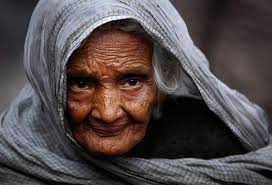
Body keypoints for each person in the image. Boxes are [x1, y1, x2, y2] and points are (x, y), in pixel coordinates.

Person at [0, 0, 271, 184]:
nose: (107, 112)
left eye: (131, 81)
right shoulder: (11, 161)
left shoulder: (215, 148)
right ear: (51, 85)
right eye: (82, 83)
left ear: (160, 85)